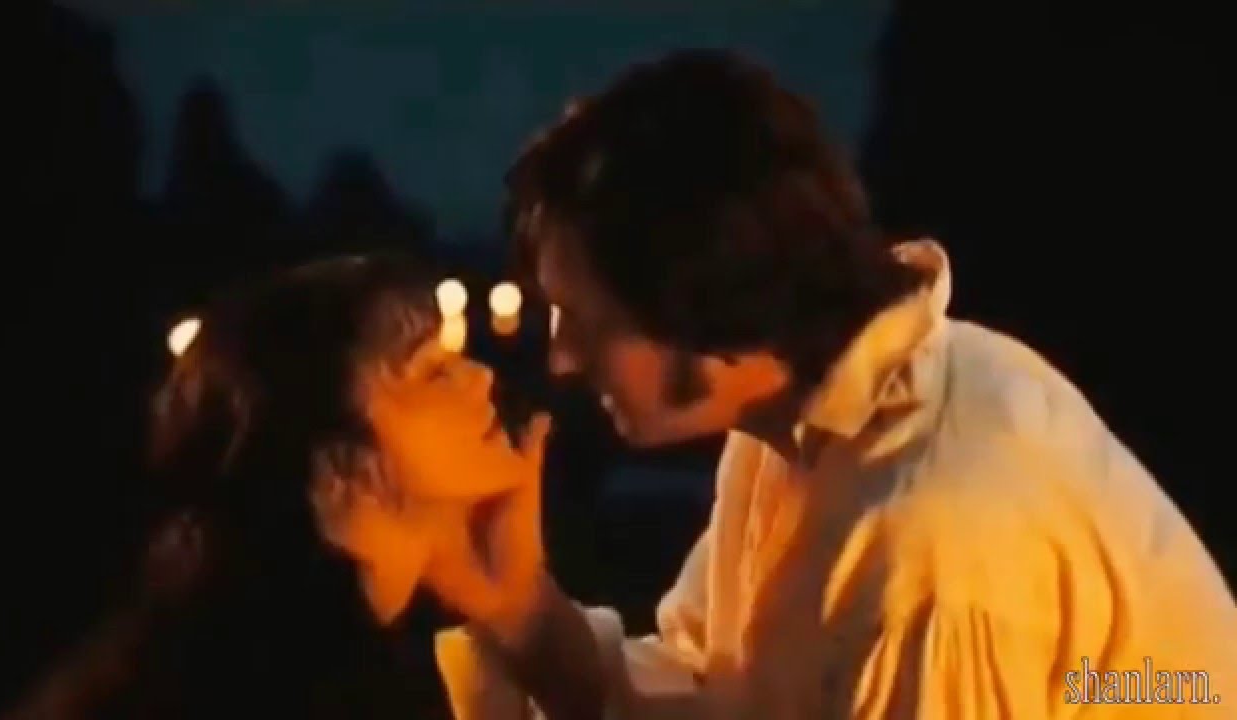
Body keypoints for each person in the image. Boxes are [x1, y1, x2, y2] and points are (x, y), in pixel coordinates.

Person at [330, 50, 1237, 718]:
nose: (561, 359)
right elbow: (718, 696)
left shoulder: (932, 547)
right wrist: (522, 611)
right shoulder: (814, 425)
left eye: (589, 320)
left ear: (705, 310)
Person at [3, 251, 545, 719]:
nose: (482, 377)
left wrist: (506, 601)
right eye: (432, 372)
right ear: (336, 463)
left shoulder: (265, 651)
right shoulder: (302, 688)